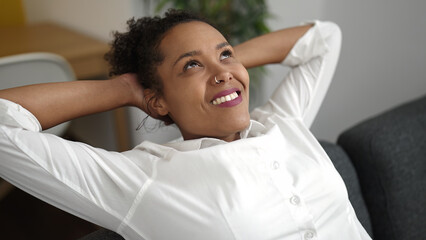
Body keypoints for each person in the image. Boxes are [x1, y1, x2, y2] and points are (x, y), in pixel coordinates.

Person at [0, 9, 371, 240]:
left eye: (226, 54)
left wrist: (221, 64)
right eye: (190, 65)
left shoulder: (282, 123)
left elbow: (323, 39)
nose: (223, 72)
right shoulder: (144, 180)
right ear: (157, 99)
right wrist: (124, 89)